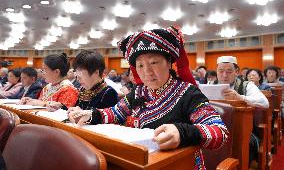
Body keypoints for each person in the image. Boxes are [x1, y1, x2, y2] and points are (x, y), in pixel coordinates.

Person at [67, 26, 229, 169]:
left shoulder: (188, 93)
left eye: (154, 63)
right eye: (140, 65)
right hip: (147, 161)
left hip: (182, 164)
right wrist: (91, 115)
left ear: (169, 62)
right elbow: (116, 112)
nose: (147, 72)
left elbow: (220, 133)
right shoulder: (139, 92)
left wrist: (182, 133)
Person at [216, 55, 269, 165]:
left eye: (229, 71)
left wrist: (240, 98)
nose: (224, 75)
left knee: (243, 143)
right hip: (215, 128)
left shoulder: (247, 85)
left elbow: (265, 103)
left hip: (243, 131)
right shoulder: (210, 85)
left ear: (237, 71)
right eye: (221, 71)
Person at [48, 50, 119, 112]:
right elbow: (77, 109)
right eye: (76, 73)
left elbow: (106, 120)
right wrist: (61, 107)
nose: (78, 77)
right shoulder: (83, 90)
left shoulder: (109, 93)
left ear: (96, 72)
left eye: (81, 73)